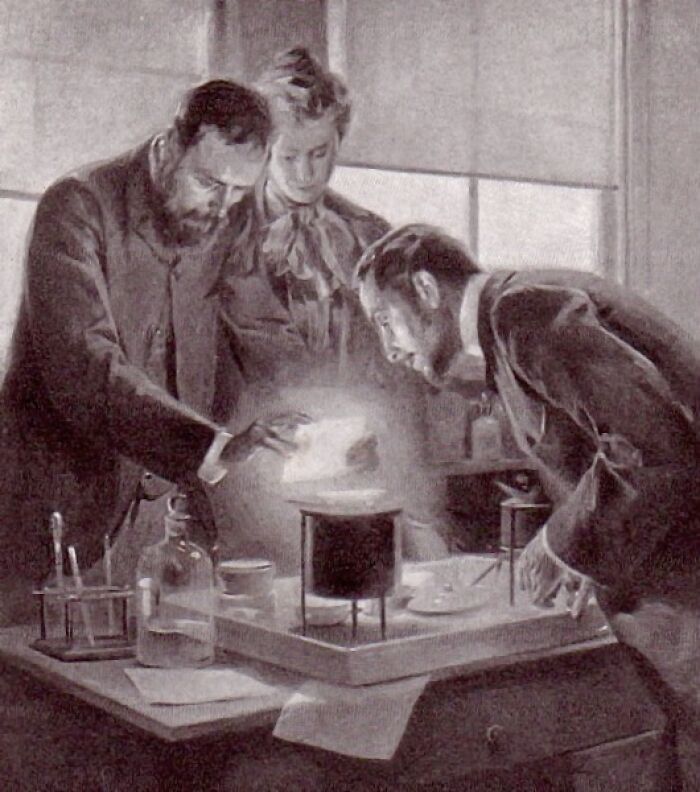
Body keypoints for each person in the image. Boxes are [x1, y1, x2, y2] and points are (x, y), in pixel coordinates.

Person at [355, 223, 700, 790]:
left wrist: (563, 545)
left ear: (423, 288)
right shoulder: (507, 326)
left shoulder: (522, 313)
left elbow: (652, 448)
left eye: (384, 321)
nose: (390, 349)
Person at [0, 79, 310, 624]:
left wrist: (322, 408)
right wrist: (212, 447)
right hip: (53, 530)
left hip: (160, 535)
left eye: (240, 192)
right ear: (170, 148)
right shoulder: (77, 208)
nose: (222, 207)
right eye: (209, 184)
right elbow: (87, 368)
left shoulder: (227, 219)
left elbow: (264, 330)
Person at [210, 48, 446, 570]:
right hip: (254, 484)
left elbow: (400, 377)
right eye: (288, 156)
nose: (304, 173)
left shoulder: (372, 237)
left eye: (319, 153)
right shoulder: (217, 238)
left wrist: (412, 489)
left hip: (359, 468)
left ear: (339, 139)